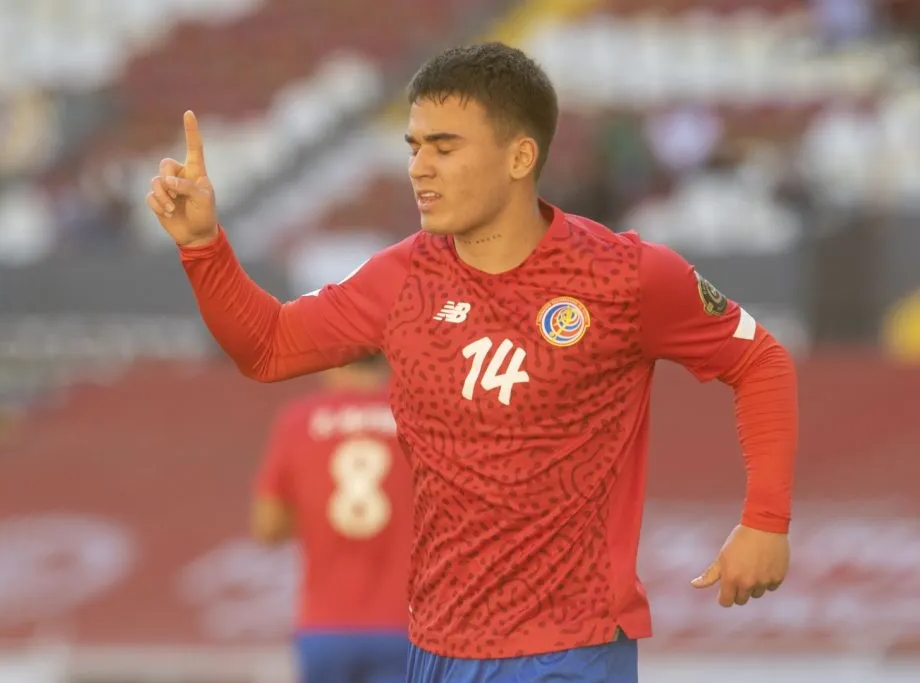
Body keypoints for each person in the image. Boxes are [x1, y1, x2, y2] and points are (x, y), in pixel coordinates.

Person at [146, 42, 797, 683]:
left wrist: (765, 519)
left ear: (519, 156)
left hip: (572, 645)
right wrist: (204, 246)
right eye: (414, 147)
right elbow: (269, 346)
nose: (419, 168)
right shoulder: (400, 277)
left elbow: (761, 360)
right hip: (436, 645)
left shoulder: (628, 276)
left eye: (445, 146)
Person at [252, 356, 412, 683]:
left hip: (325, 624)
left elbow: (267, 526)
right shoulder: (413, 418)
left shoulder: (300, 420)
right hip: (405, 624)